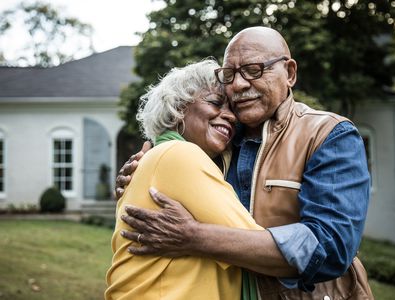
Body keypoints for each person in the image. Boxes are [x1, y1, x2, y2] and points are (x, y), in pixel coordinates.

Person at [117, 27, 373, 299]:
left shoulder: (329, 134)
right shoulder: (215, 142)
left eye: (253, 70)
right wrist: (139, 177)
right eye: (229, 74)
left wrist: (195, 237)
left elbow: (330, 248)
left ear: (289, 73)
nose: (237, 84)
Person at [105, 59, 267, 300]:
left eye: (233, 111)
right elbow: (261, 250)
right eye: (215, 103)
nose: (230, 117)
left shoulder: (159, 158)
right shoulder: (179, 154)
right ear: (178, 108)